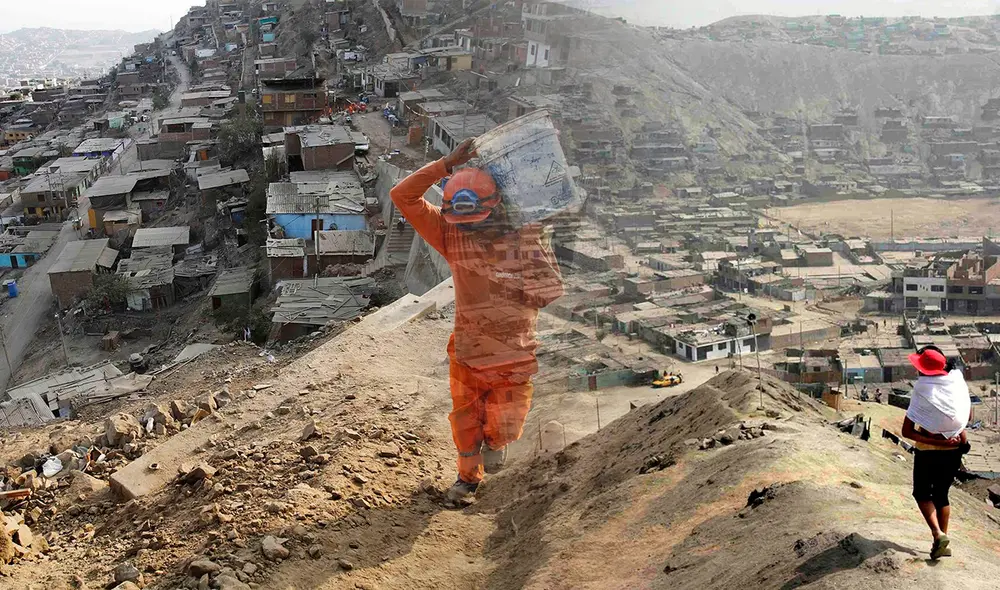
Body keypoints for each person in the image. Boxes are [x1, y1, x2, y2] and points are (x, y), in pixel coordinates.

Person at [390, 138, 564, 505]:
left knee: (504, 429)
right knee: (466, 421)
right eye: (462, 221)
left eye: (476, 221)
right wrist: (444, 165)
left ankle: (495, 453)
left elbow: (547, 294)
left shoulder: (524, 237)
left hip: (513, 355)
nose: (469, 229)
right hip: (468, 350)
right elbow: (402, 196)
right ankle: (467, 480)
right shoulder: (450, 233)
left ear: (497, 207)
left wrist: (533, 248)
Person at [901, 346, 972, 560]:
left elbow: (907, 431)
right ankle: (942, 542)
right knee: (941, 495)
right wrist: (961, 441)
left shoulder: (923, 390)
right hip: (953, 451)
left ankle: (937, 534)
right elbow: (962, 417)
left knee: (922, 494)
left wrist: (932, 439)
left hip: (928, 452)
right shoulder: (956, 384)